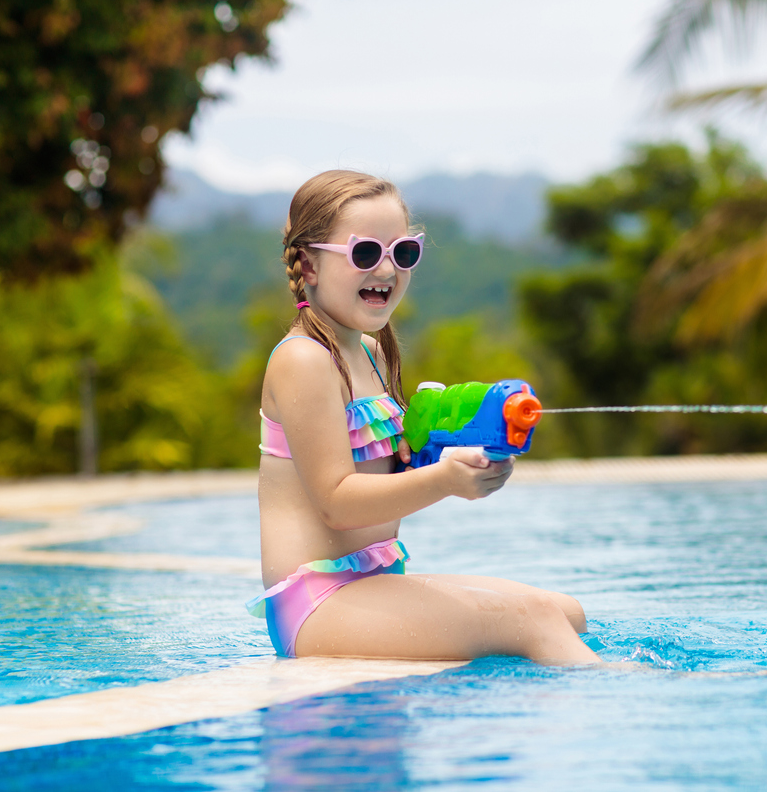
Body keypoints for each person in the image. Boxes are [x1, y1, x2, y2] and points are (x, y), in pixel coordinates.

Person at [246, 170, 599, 665]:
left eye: (403, 253)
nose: (387, 270)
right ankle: (633, 693)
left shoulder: (367, 352)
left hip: (372, 586)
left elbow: (389, 469)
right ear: (308, 265)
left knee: (566, 613)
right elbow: (337, 504)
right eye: (365, 253)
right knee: (534, 620)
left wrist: (462, 454)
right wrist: (445, 480)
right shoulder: (303, 359)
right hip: (317, 605)